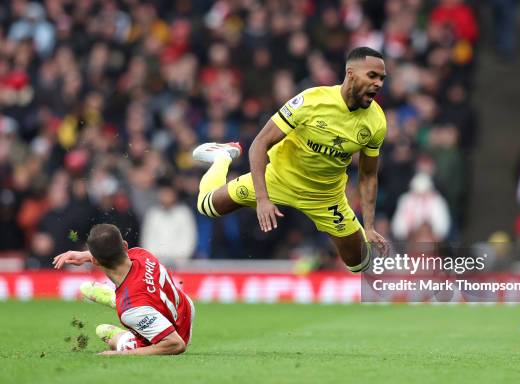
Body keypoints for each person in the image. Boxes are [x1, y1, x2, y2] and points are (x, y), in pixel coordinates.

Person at [192, 47, 388, 272]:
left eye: (382, 78)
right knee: (206, 206)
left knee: (359, 264)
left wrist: (370, 226)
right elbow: (259, 145)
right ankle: (222, 156)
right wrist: (263, 199)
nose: (378, 83)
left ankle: (348, 239)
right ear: (351, 74)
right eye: (372, 76)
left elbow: (368, 174)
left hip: (326, 197)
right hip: (277, 179)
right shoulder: (310, 101)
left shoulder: (376, 122)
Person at [52, 224, 195, 356]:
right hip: (184, 308)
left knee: (112, 338)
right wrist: (85, 255)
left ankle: (123, 322)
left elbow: (176, 345)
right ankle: (118, 300)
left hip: (177, 333)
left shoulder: (131, 311)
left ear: (95, 261)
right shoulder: (141, 254)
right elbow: (113, 252)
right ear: (125, 246)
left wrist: (119, 354)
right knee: (140, 299)